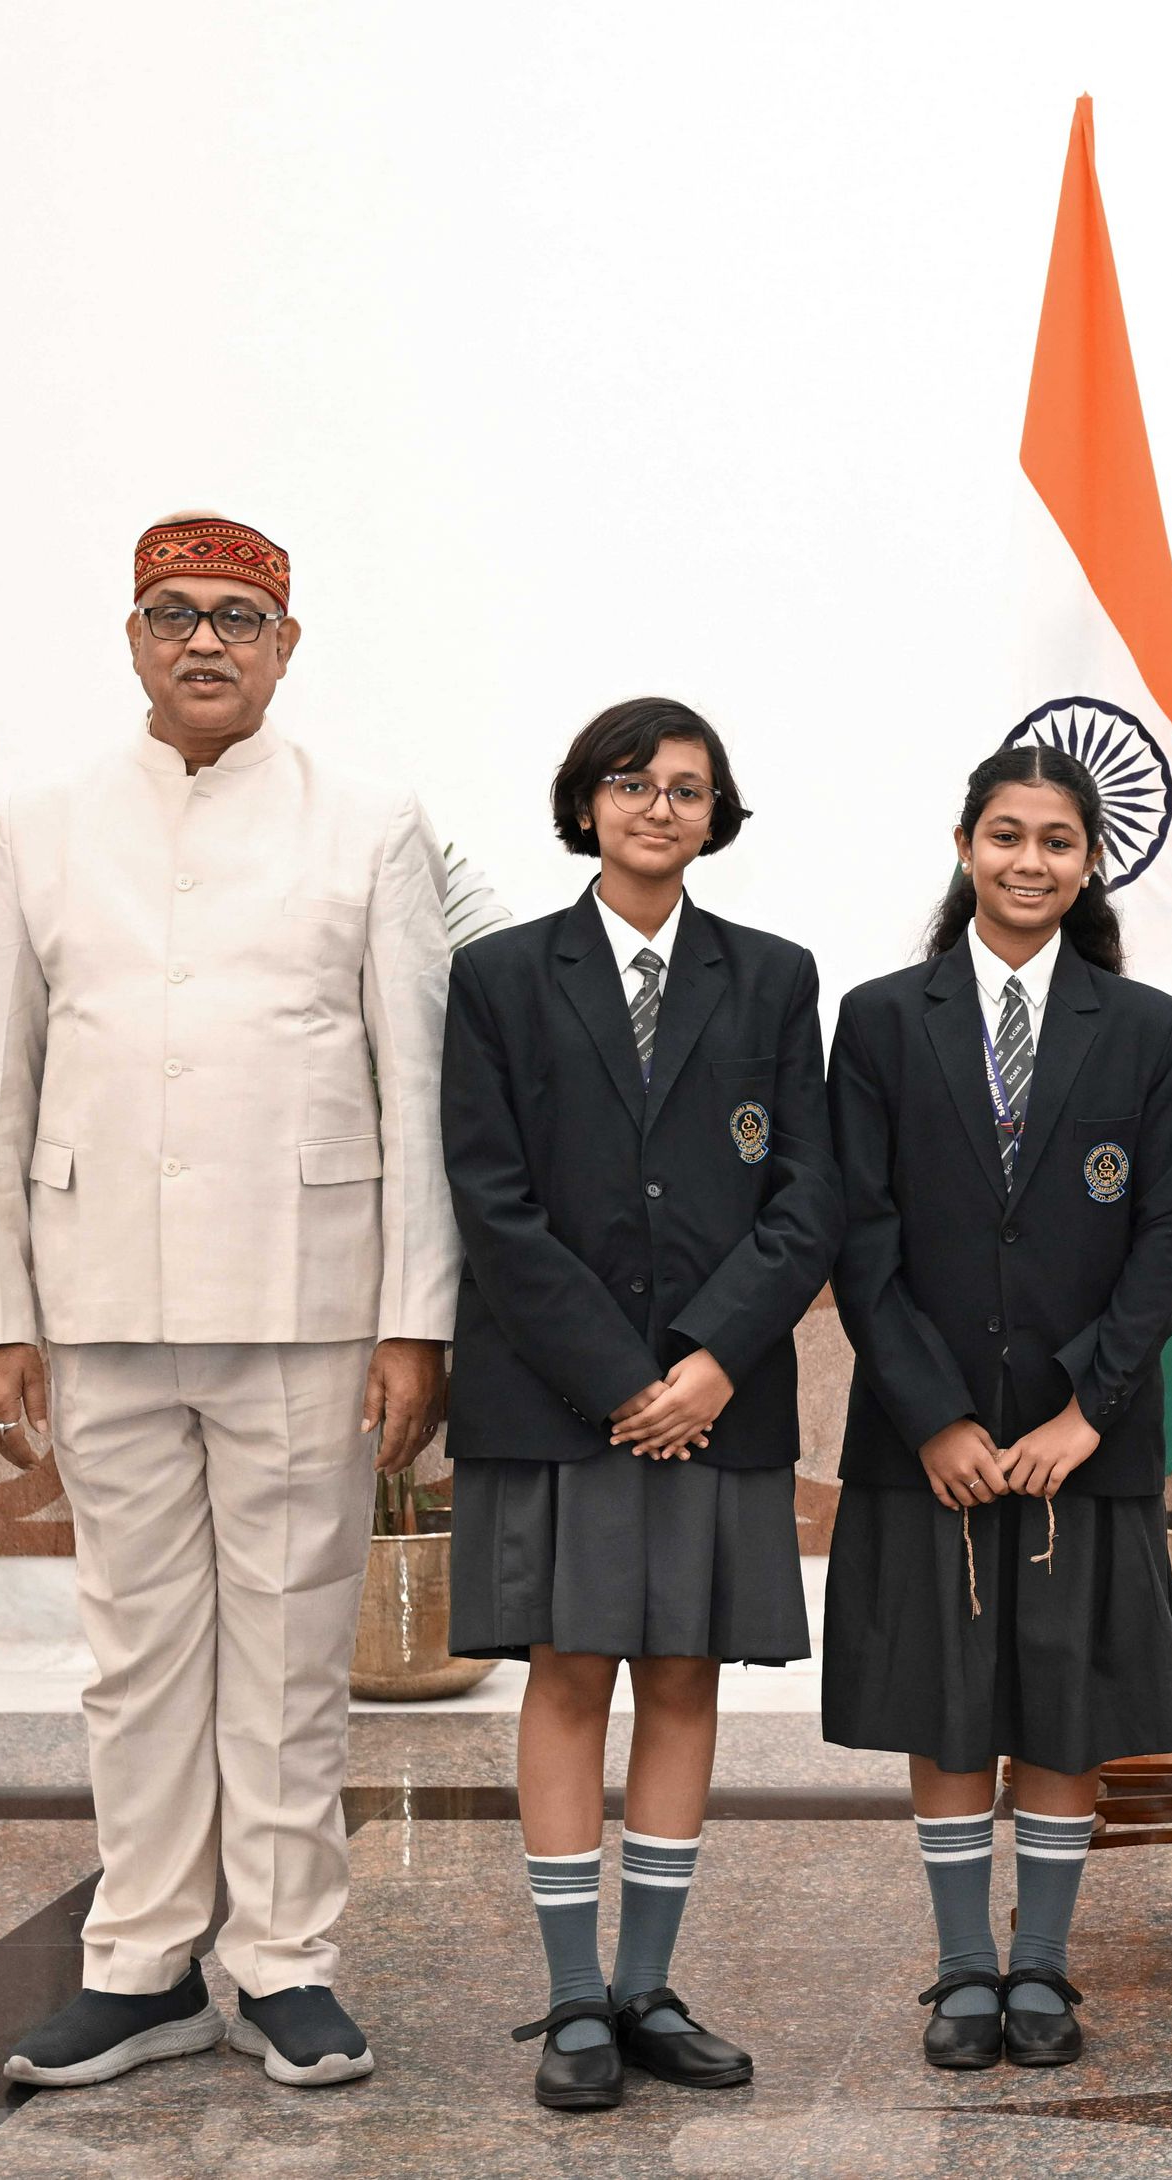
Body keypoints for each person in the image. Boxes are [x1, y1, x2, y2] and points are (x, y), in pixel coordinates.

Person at [0, 514, 453, 2089]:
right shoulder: (44, 821)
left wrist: (416, 1318)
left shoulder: (366, 823)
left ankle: (286, 1959)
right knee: (137, 1655)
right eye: (173, 613)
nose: (205, 641)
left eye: (239, 616)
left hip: (306, 1301)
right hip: (99, 1298)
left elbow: (416, 1084)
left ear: (286, 646)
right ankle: (142, 1966)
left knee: (291, 1654)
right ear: (132, 638)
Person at [439, 699, 842, 2111]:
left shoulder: (774, 977)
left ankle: (648, 1988)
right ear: (586, 804)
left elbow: (809, 1193)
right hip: (558, 1400)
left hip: (718, 1397)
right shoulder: (498, 976)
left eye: (686, 788)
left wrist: (715, 1359)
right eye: (631, 783)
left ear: (716, 815)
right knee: (567, 1672)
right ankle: (572, 1999)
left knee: (682, 1675)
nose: (658, 807)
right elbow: (491, 1200)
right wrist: (623, 1381)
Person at [822, 743, 1172, 2071]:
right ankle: (961, 1971)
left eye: (1056, 841)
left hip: (1079, 1442)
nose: (1029, 861)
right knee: (944, 1701)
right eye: (1005, 835)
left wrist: (1087, 1410)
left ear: (1091, 862)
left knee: (1063, 1698)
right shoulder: (884, 1018)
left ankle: (1040, 1965)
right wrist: (933, 1415)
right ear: (964, 846)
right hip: (925, 1439)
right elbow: (857, 1229)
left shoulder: (1144, 1025)